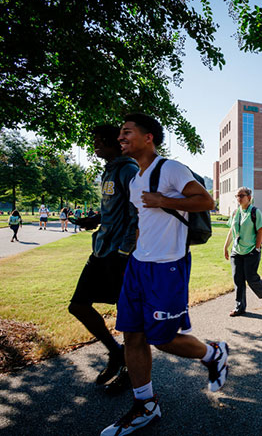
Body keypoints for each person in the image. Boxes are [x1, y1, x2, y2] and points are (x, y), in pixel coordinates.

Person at [101, 113, 227, 435]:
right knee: (132, 334)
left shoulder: (169, 168)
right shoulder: (134, 179)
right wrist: (133, 255)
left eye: (126, 132)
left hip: (168, 266)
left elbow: (206, 200)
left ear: (148, 137)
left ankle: (214, 353)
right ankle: (146, 405)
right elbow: (144, 223)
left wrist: (163, 199)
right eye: (120, 133)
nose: (120, 138)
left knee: (162, 338)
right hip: (139, 265)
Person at [68, 125, 140, 396]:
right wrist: (95, 219)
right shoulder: (109, 170)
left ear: (114, 143)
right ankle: (116, 353)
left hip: (119, 256)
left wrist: (125, 251)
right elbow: (114, 208)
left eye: (99, 141)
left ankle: (131, 373)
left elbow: (137, 213)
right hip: (100, 250)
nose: (94, 145)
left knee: (128, 320)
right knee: (78, 305)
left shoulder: (128, 170)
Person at [223, 187, 262, 317]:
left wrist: (257, 248)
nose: (238, 198)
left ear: (249, 198)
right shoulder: (235, 213)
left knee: (251, 277)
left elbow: (260, 230)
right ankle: (240, 307)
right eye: (237, 196)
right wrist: (226, 246)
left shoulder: (255, 212)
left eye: (241, 196)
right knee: (237, 279)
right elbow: (231, 231)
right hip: (236, 251)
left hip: (251, 250)